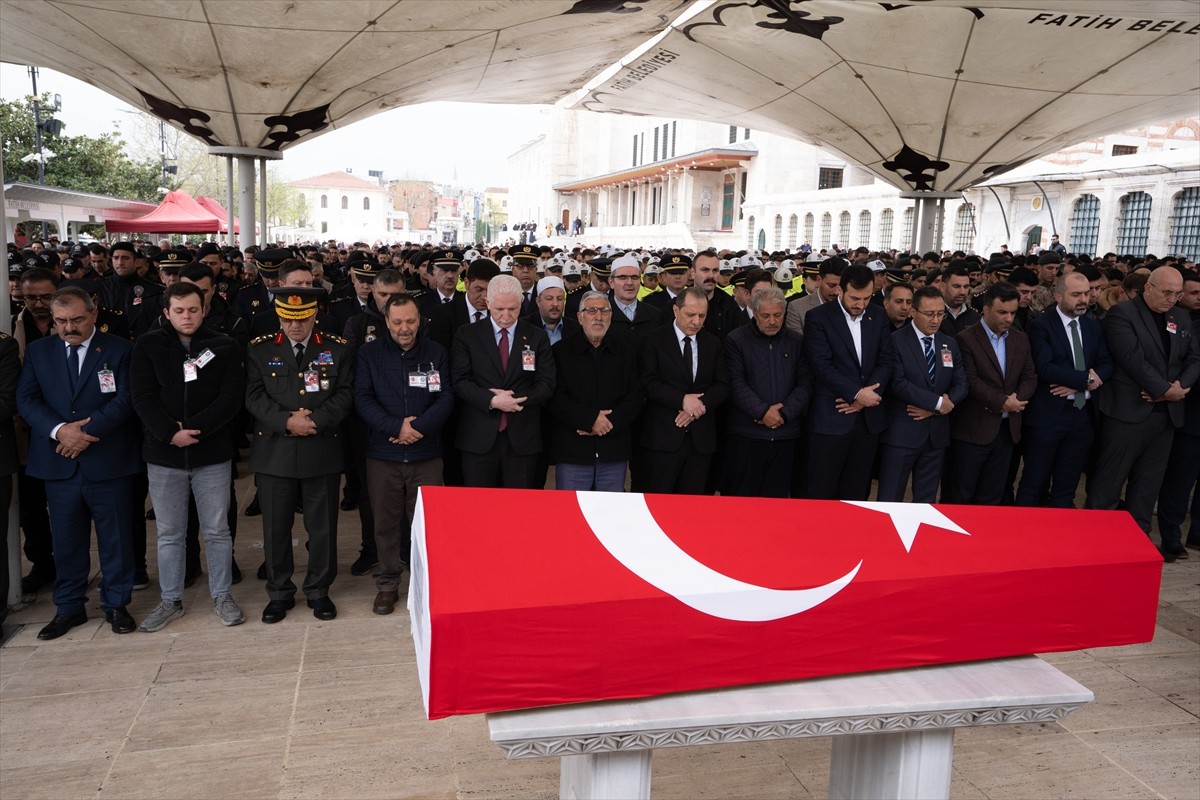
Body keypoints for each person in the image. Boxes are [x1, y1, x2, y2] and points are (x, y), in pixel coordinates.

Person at [17, 286, 142, 639]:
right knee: (67, 540)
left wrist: (84, 433)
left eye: (75, 320)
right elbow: (26, 399)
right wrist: (59, 431)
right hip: (59, 462)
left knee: (115, 538)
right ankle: (69, 607)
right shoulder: (40, 352)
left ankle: (116, 604)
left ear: (93, 314)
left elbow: (126, 398)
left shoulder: (120, 349)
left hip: (107, 460)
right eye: (60, 321)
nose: (68, 327)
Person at [130, 283, 246, 631]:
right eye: (179, 310)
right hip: (164, 456)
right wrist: (169, 433)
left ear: (204, 310)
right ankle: (170, 600)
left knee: (217, 530)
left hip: (211, 454)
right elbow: (142, 396)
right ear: (166, 312)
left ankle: (222, 595)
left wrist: (194, 430)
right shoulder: (148, 345)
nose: (187, 316)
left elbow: (230, 399)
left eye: (193, 309)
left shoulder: (224, 345)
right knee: (169, 533)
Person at [245, 288, 354, 623]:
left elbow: (346, 392)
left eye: (303, 318)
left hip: (321, 448)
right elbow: (254, 396)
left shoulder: (336, 348)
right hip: (275, 451)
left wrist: (315, 421)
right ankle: (279, 593)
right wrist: (287, 421)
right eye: (288, 318)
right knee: (276, 529)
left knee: (322, 528)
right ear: (279, 317)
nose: (295, 325)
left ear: (315, 315)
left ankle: (319, 590)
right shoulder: (260, 349)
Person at [1087, 266, 1200, 553]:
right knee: (1108, 485)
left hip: (1166, 416)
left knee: (1147, 486)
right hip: (1128, 412)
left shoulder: (1180, 316)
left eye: (1177, 294)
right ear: (1148, 287)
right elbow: (1132, 359)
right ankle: (1094, 542)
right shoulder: (1122, 314)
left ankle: (1135, 546)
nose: (1171, 299)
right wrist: (1165, 389)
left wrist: (1177, 389)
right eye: (1166, 293)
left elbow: (1195, 358)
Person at [355, 294, 453, 614]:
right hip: (383, 454)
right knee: (384, 523)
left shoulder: (436, 352)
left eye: (410, 321)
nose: (404, 328)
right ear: (386, 322)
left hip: (426, 454)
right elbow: (363, 399)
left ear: (420, 319)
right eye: (397, 322)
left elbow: (446, 398)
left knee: (427, 526)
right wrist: (396, 428)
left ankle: (427, 584)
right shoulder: (369, 354)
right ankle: (387, 584)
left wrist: (418, 427)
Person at [1017, 272, 1113, 508]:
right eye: (1076, 294)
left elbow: (1107, 362)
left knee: (1067, 485)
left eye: (1086, 293)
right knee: (1034, 481)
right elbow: (1045, 367)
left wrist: (1086, 383)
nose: (1084, 299)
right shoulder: (1040, 326)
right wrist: (1086, 380)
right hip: (1048, 416)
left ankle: (1059, 537)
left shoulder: (1093, 326)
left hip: (1083, 416)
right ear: (1058, 296)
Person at [451, 274, 555, 488]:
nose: (506, 316)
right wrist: (492, 400)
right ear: (488, 303)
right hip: (478, 438)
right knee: (479, 509)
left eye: (513, 309)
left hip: (522, 439)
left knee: (518, 510)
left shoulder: (536, 336)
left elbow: (546, 384)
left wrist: (512, 401)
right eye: (499, 309)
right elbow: (460, 381)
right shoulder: (467, 334)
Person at [942, 283, 1037, 505]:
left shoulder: (1020, 339)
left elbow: (1030, 376)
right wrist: (1003, 402)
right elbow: (970, 380)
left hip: (1006, 432)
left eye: (1013, 313)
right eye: (1002, 312)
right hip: (972, 433)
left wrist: (1015, 401)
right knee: (959, 495)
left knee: (991, 498)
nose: (1009, 318)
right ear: (985, 310)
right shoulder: (964, 339)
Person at [803, 264, 892, 500]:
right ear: (841, 290)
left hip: (867, 420)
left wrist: (865, 398)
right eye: (855, 298)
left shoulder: (879, 315)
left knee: (857, 492)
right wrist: (855, 393)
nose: (860, 304)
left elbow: (886, 361)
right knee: (822, 491)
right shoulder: (818, 318)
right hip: (831, 418)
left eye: (866, 298)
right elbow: (821, 365)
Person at [876, 287, 968, 503]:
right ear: (912, 312)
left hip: (936, 436)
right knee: (891, 497)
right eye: (929, 314)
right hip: (902, 434)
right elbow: (897, 383)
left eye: (940, 313)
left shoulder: (948, 343)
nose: (935, 320)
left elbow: (962, 382)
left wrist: (943, 406)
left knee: (927, 499)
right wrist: (937, 403)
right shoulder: (895, 341)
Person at [547, 290, 645, 491]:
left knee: (610, 517)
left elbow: (636, 395)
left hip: (613, 449)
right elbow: (555, 396)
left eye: (604, 311)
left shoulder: (626, 353)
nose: (598, 317)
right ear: (580, 317)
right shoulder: (560, 352)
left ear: (611, 316)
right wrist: (590, 420)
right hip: (573, 450)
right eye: (591, 311)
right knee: (571, 515)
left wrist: (607, 423)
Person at [636, 288, 730, 494]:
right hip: (662, 440)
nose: (696, 321)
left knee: (692, 511)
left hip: (700, 443)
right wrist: (682, 400)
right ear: (676, 310)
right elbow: (648, 382)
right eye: (690, 315)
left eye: (702, 316)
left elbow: (723, 384)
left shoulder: (713, 343)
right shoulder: (653, 341)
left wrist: (698, 406)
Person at [722, 285, 810, 497]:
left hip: (785, 435)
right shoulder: (736, 340)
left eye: (778, 315)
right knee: (743, 502)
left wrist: (783, 414)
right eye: (766, 315)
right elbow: (736, 383)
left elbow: (806, 383)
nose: (772, 321)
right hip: (747, 436)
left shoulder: (796, 342)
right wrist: (762, 412)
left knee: (777, 504)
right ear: (754, 312)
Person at [1156, 269, 1200, 558]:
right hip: (1191, 415)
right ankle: (1171, 537)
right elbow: (1187, 363)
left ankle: (1196, 535)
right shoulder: (1187, 325)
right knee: (1179, 481)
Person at [607, 255, 662, 345]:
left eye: (634, 277)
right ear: (611, 282)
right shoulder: (601, 314)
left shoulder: (655, 315)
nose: (629, 283)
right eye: (623, 277)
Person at [785, 256, 843, 335]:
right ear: (819, 280)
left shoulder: (853, 306)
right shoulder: (797, 308)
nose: (836, 292)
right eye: (831, 285)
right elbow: (797, 344)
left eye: (841, 286)